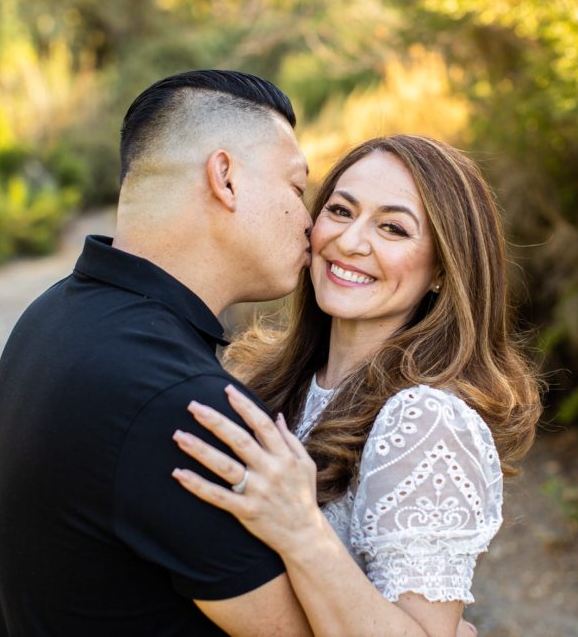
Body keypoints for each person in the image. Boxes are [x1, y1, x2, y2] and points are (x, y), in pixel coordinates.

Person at [0, 70, 318, 635]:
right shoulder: (182, 403)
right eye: (297, 189)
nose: (309, 222)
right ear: (226, 178)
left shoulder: (55, 313)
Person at [172, 135, 543, 636]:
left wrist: (301, 531)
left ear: (441, 269)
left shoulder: (426, 419)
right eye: (341, 211)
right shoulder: (271, 379)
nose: (350, 242)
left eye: (392, 227)